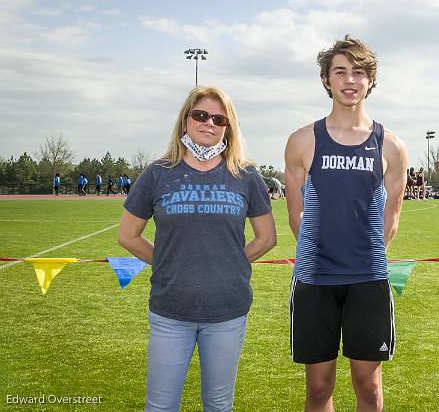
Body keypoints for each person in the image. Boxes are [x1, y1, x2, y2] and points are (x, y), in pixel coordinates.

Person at [118, 85, 277, 412]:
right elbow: (128, 236)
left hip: (227, 311)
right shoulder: (158, 173)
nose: (209, 123)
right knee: (160, 406)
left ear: (228, 128)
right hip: (170, 310)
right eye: (201, 115)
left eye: (219, 119)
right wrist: (166, 264)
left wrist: (229, 263)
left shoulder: (245, 175)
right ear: (185, 120)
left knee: (218, 404)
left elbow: (266, 238)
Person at [284, 35, 408, 412]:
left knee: (368, 387)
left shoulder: (391, 146)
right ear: (326, 80)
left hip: (368, 281)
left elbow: (391, 219)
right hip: (314, 280)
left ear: (370, 81)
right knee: (319, 388)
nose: (349, 80)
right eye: (340, 72)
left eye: (359, 72)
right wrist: (322, 256)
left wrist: (362, 258)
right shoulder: (302, 141)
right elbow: (296, 216)